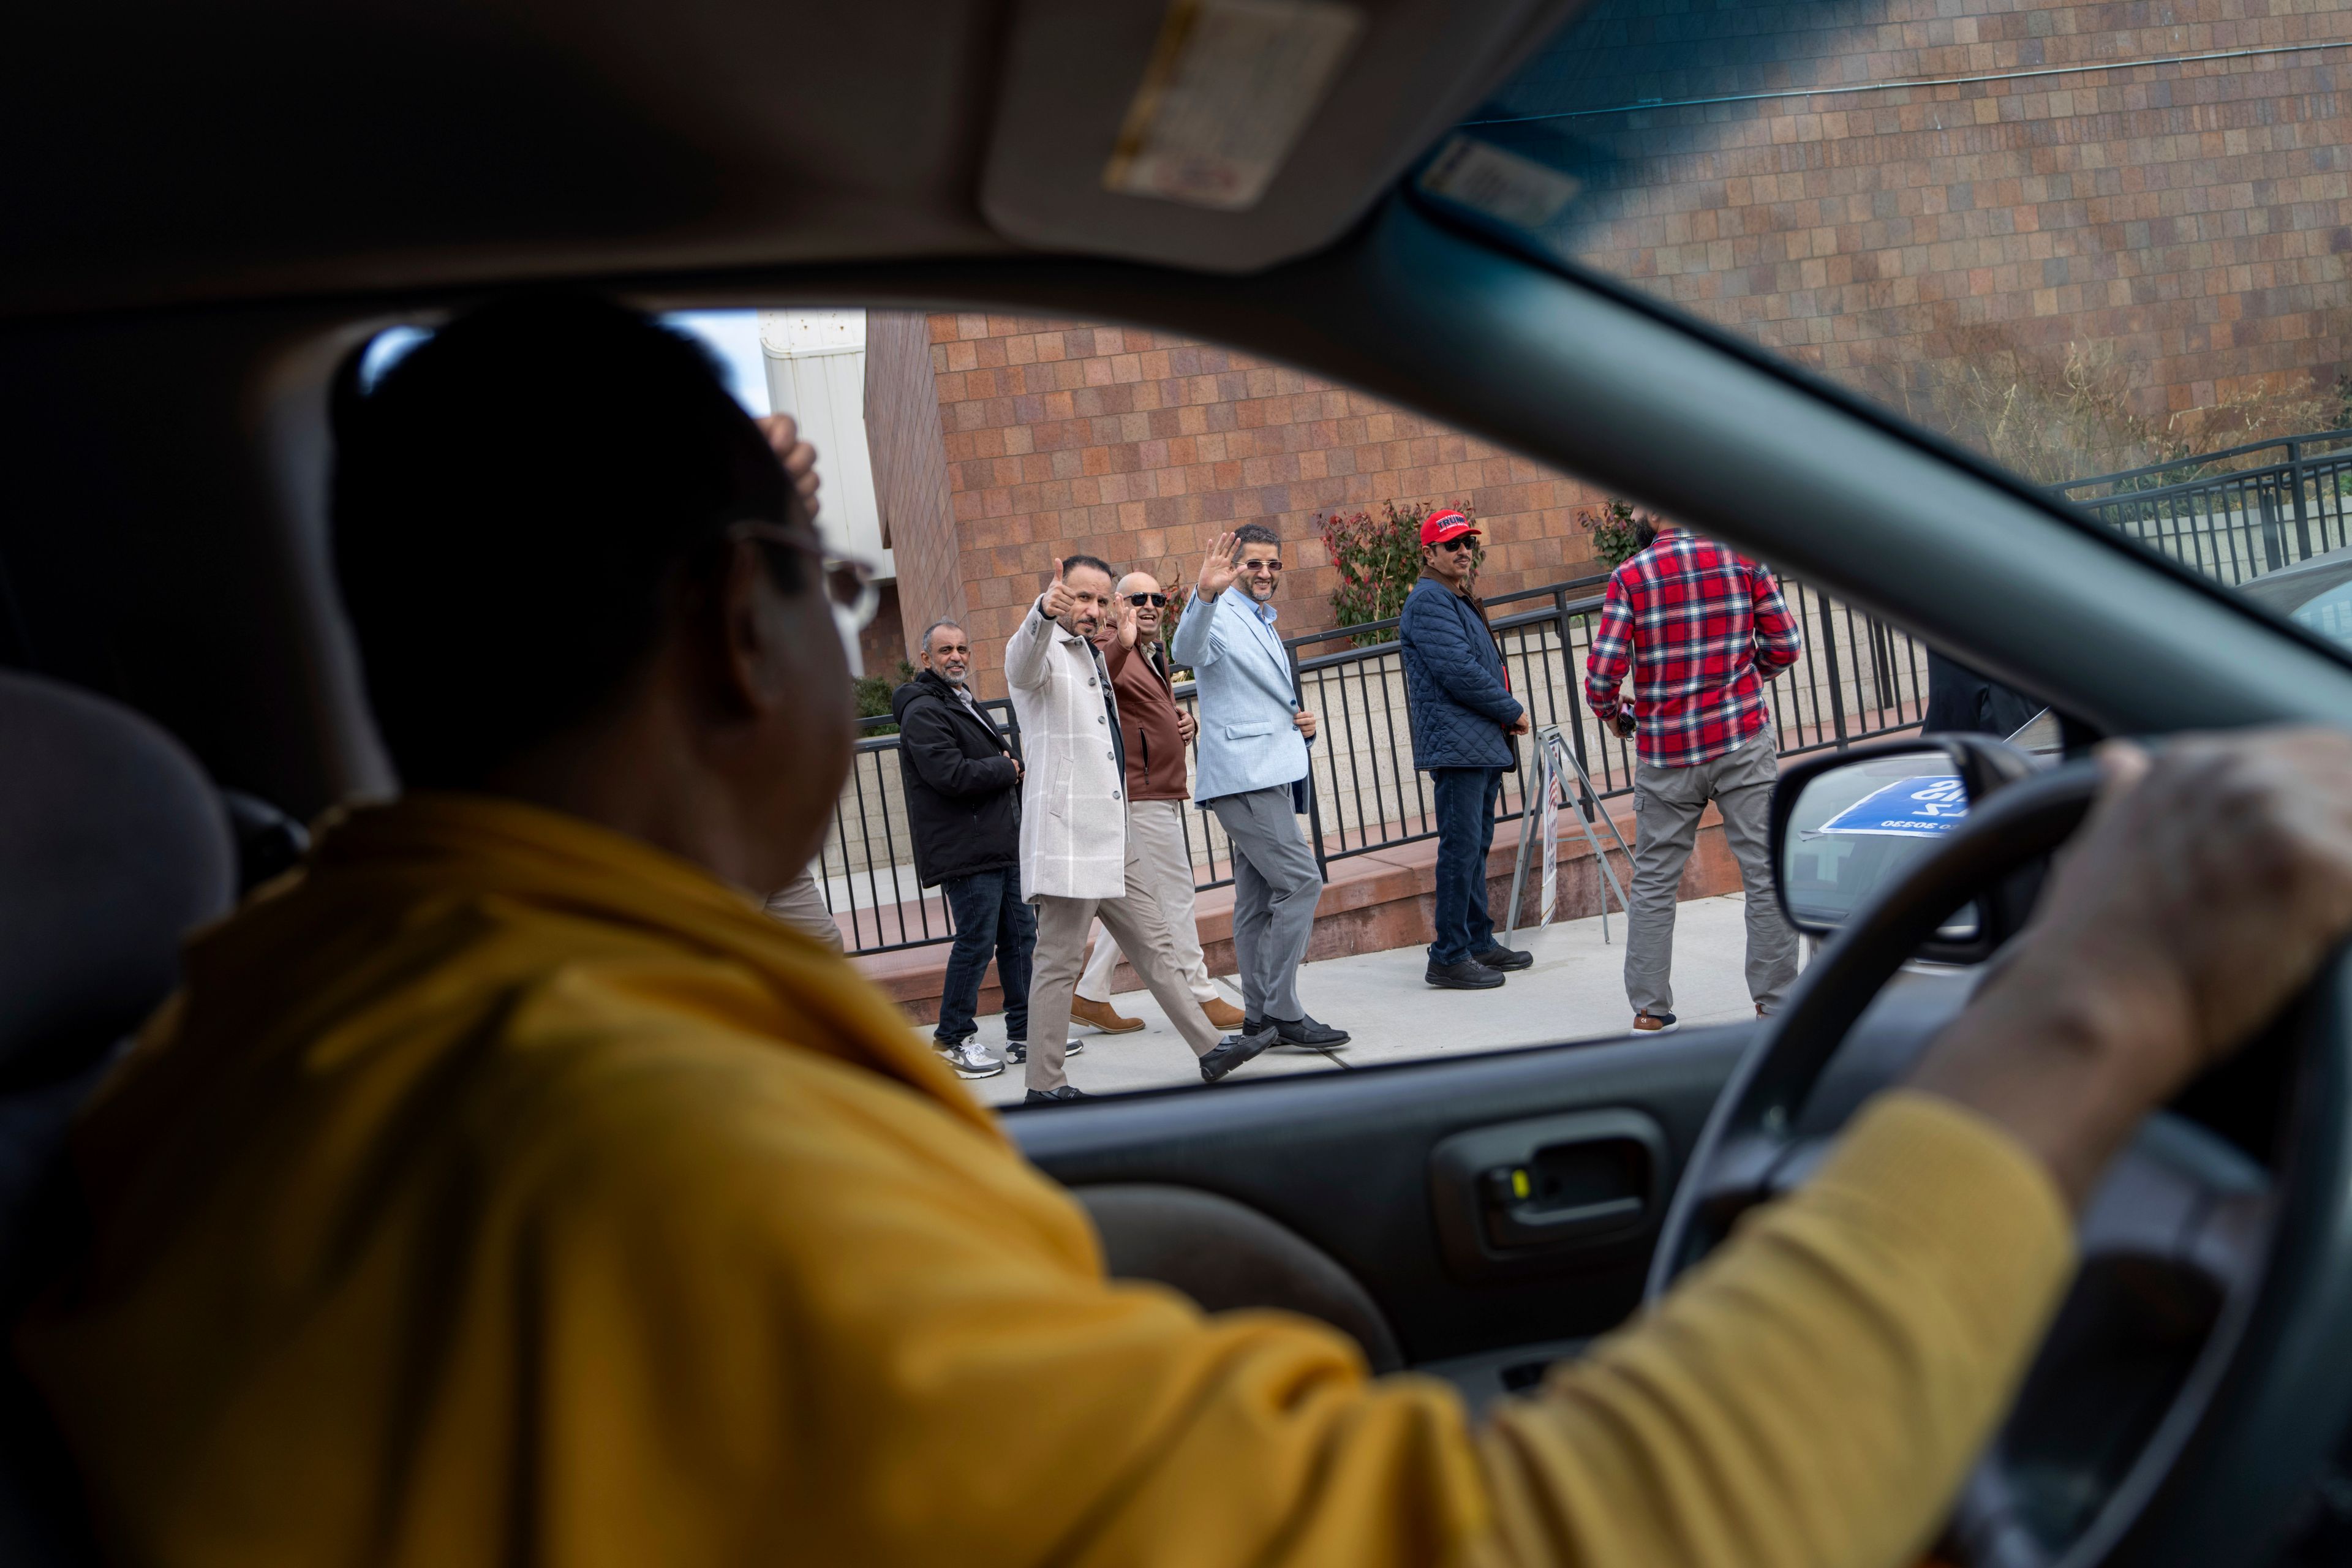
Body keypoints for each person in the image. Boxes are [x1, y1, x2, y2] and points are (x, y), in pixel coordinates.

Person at [29, 294, 2352, 1568]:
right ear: (734, 635)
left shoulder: (311, 1017)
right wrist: (2105, 996)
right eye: (833, 596)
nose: (856, 642)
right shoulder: (620, 1139)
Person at [1005, 553, 1250, 1101]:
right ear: (1060, 595)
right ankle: (1044, 1086)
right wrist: (1043, 612)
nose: (1088, 609)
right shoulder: (1044, 651)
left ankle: (1211, 1048)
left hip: (1115, 833)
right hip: (1069, 836)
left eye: (1097, 599)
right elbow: (1019, 664)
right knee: (1059, 961)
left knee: (1157, 944)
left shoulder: (1092, 657)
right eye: (1078, 597)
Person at [1586, 522, 1804, 1031]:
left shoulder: (1631, 575)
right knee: (1767, 871)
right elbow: (1786, 644)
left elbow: (1602, 678)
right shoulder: (1743, 554)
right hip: (1741, 739)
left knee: (1656, 881)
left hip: (1667, 752)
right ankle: (1774, 1003)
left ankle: (1649, 1008)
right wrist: (1745, 680)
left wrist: (1615, 715)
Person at [1169, 524, 1349, 1050]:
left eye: (1274, 564)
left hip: (1267, 771)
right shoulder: (1221, 611)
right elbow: (1188, 649)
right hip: (1245, 778)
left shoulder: (1262, 620)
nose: (1265, 573)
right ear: (1235, 566)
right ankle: (1284, 1011)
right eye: (1254, 564)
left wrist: (1300, 724)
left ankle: (1258, 1019)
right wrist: (1203, 594)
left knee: (1255, 902)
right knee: (1301, 882)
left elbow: (1253, 695)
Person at [1071, 573, 1249, 1033]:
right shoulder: (1114, 645)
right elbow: (1096, 684)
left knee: (1138, 905)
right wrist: (1122, 645)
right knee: (1175, 895)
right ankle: (1201, 994)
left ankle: (1090, 993)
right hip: (1140, 794)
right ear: (1116, 605)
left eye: (1159, 598)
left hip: (1159, 789)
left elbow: (1140, 712)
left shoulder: (1149, 652)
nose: (1151, 605)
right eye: (1138, 598)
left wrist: (1179, 720)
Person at [1397, 508, 1536, 989]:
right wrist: (1510, 709)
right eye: (1451, 544)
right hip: (1458, 746)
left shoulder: (1455, 598)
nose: (1462, 551)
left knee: (1474, 847)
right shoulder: (1430, 601)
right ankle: (1449, 955)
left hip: (1476, 743)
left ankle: (1477, 940)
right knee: (1460, 850)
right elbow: (1459, 671)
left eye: (1467, 544)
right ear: (1429, 553)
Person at [891, 618, 1030, 1079]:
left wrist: (1007, 768)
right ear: (926, 660)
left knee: (1019, 938)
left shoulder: (960, 701)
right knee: (976, 942)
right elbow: (948, 774)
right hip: (965, 849)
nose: (957, 657)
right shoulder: (923, 710)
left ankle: (1025, 1033)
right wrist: (1006, 769)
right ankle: (951, 1038)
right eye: (946, 650)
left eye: (963, 649)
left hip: (999, 842)